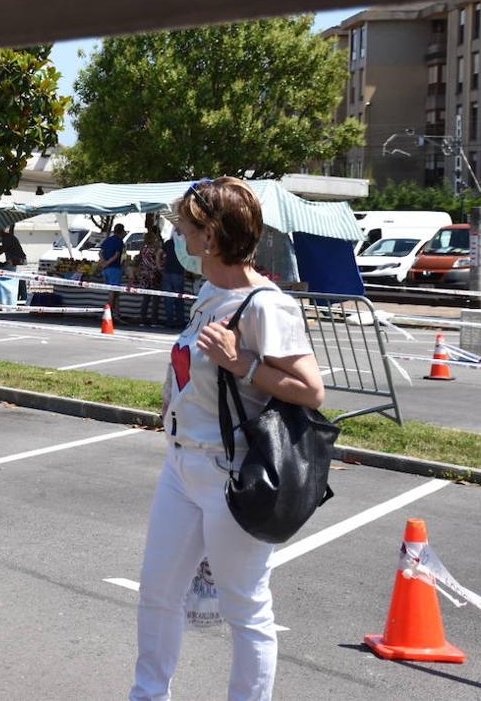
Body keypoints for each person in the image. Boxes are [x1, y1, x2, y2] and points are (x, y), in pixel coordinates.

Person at [130, 177, 324, 701]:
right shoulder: (210, 292)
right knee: (158, 592)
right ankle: (147, 694)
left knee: (246, 607)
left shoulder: (267, 305)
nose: (179, 237)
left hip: (231, 475)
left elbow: (311, 390)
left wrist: (242, 363)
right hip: (181, 467)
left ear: (210, 236)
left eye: (186, 227)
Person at [0, 225, 28, 306]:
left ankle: (22, 299)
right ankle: (19, 298)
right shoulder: (5, 237)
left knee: (20, 280)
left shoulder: (7, 237)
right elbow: (3, 249)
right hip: (14, 261)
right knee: (17, 280)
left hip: (18, 261)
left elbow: (2, 250)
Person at [136, 215, 165, 327]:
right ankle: (154, 320)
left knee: (146, 299)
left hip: (145, 275)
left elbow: (139, 260)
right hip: (153, 275)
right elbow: (158, 261)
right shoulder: (154, 249)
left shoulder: (143, 249)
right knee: (155, 299)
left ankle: (142, 319)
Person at [99, 223, 127, 325]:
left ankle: (117, 314)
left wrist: (103, 263)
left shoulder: (107, 240)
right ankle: (108, 313)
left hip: (106, 270)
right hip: (114, 269)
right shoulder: (119, 242)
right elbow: (117, 255)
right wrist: (107, 263)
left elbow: (100, 252)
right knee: (113, 292)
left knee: (116, 293)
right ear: (122, 231)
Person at [162, 230, 187, 329]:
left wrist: (160, 265)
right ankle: (180, 321)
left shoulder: (168, 243)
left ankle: (169, 321)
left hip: (167, 272)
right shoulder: (183, 243)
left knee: (168, 298)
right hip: (178, 272)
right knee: (179, 298)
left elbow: (159, 252)